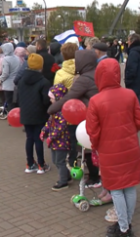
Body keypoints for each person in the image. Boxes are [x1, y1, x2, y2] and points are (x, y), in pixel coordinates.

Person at [86, 58, 140, 237]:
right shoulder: (130, 95)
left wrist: (96, 146)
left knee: (117, 189)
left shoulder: (96, 101)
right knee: (130, 185)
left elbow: (92, 131)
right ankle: (126, 223)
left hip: (109, 150)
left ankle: (123, 227)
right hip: (131, 147)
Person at [47, 50, 100, 187]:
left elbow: (69, 97)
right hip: (99, 113)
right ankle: (97, 175)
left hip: (90, 116)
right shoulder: (97, 73)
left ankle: (95, 178)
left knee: (87, 148)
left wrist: (52, 109)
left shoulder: (84, 79)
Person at [17, 53, 51, 174]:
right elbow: (46, 100)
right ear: (40, 66)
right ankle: (41, 164)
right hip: (39, 114)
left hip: (26, 113)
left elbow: (18, 97)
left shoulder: (21, 80)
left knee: (29, 138)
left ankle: (30, 163)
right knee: (38, 139)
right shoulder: (44, 82)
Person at [41, 84, 71, 191]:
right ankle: (67, 175)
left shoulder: (63, 112)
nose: (50, 100)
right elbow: (49, 122)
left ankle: (63, 181)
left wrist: (51, 137)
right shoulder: (55, 110)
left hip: (61, 141)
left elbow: (60, 127)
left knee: (60, 161)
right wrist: (44, 131)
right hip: (55, 142)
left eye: (52, 98)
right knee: (55, 160)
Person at [124, 33, 140, 111]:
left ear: (132, 41)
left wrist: (127, 81)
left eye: (128, 40)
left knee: (135, 108)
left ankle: (139, 123)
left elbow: (131, 69)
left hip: (135, 84)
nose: (127, 42)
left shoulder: (134, 53)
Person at [0, 43, 22, 111]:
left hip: (8, 84)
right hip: (16, 83)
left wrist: (0, 80)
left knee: (10, 102)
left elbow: (5, 73)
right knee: (16, 102)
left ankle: (11, 117)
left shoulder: (6, 59)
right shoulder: (17, 58)